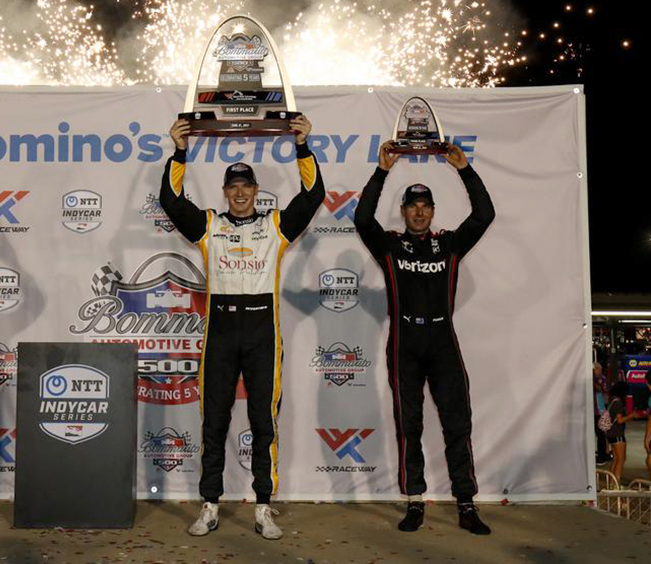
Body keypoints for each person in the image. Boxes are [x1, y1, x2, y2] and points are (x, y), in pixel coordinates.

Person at [160, 116, 324, 540]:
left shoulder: (275, 226)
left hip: (261, 332)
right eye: (232, 187)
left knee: (263, 422)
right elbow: (171, 202)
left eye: (245, 186)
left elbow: (313, 196)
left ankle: (264, 507)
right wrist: (179, 152)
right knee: (213, 421)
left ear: (255, 190)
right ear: (224, 191)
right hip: (219, 333)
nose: (239, 193)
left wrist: (303, 147)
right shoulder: (209, 225)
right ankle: (210, 505)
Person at [354, 141, 495, 535]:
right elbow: (362, 219)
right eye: (412, 206)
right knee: (409, 425)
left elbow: (484, 215)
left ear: (433, 211)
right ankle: (414, 500)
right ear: (403, 212)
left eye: (425, 206)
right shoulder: (389, 245)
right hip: (405, 344)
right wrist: (381, 172)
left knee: (457, 424)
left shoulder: (449, 244)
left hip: (443, 342)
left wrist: (465, 169)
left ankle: (466, 503)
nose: (419, 212)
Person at [606, 381, 636, 485]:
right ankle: (616, 483)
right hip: (618, 434)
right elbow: (619, 420)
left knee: (615, 460)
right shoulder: (618, 403)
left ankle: (611, 483)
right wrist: (631, 416)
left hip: (610, 434)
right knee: (621, 460)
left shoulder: (612, 401)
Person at [593, 361, 610, 464]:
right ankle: (602, 453)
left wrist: (593, 381)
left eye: (595, 370)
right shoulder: (594, 379)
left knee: (601, 434)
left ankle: (602, 456)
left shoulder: (602, 379)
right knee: (599, 434)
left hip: (600, 411)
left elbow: (600, 389)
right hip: (595, 411)